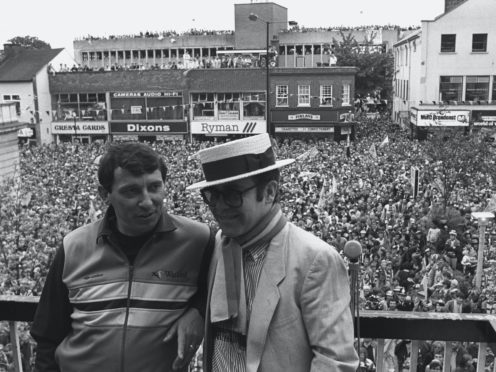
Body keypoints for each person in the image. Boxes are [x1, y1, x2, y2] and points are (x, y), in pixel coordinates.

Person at [31, 142, 215, 372]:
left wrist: (198, 311)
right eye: (131, 191)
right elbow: (48, 337)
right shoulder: (73, 246)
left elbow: (230, 280)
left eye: (155, 187)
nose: (147, 201)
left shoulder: (199, 239)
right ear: (104, 194)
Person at [187, 134, 358, 371]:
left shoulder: (315, 260)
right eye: (212, 195)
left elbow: (335, 361)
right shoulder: (218, 244)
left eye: (232, 194)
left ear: (269, 192)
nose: (219, 206)